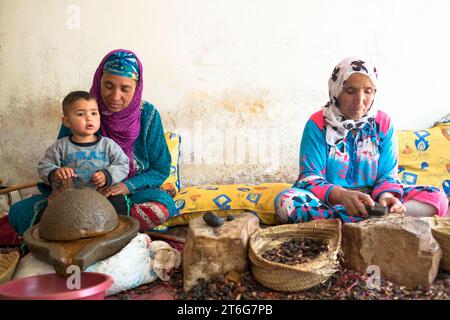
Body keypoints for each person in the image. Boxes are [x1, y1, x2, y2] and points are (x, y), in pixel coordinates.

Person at [9, 49, 176, 235]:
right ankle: (103, 226)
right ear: (99, 80)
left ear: (137, 88)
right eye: (109, 85)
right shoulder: (82, 111)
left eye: (125, 89)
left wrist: (125, 186)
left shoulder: (148, 115)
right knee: (18, 212)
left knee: (163, 205)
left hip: (129, 193)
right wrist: (58, 182)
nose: (114, 96)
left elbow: (160, 168)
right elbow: (58, 159)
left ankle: (83, 228)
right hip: (77, 191)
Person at [275, 57, 448, 224]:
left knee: (437, 197)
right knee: (286, 202)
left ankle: (362, 220)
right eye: (350, 91)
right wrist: (342, 196)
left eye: (368, 91)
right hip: (330, 199)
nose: (360, 100)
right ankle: (378, 221)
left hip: (374, 200)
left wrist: (387, 197)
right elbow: (309, 178)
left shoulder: (383, 123)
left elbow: (388, 174)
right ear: (336, 90)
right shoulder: (318, 124)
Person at [37, 90, 129, 215]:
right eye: (80, 114)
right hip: (70, 196)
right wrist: (56, 173)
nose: (89, 118)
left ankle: (119, 233)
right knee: (50, 211)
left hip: (102, 194)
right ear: (67, 121)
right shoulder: (60, 146)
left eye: (94, 113)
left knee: (119, 203)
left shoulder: (108, 145)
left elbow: (123, 164)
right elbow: (44, 166)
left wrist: (107, 175)